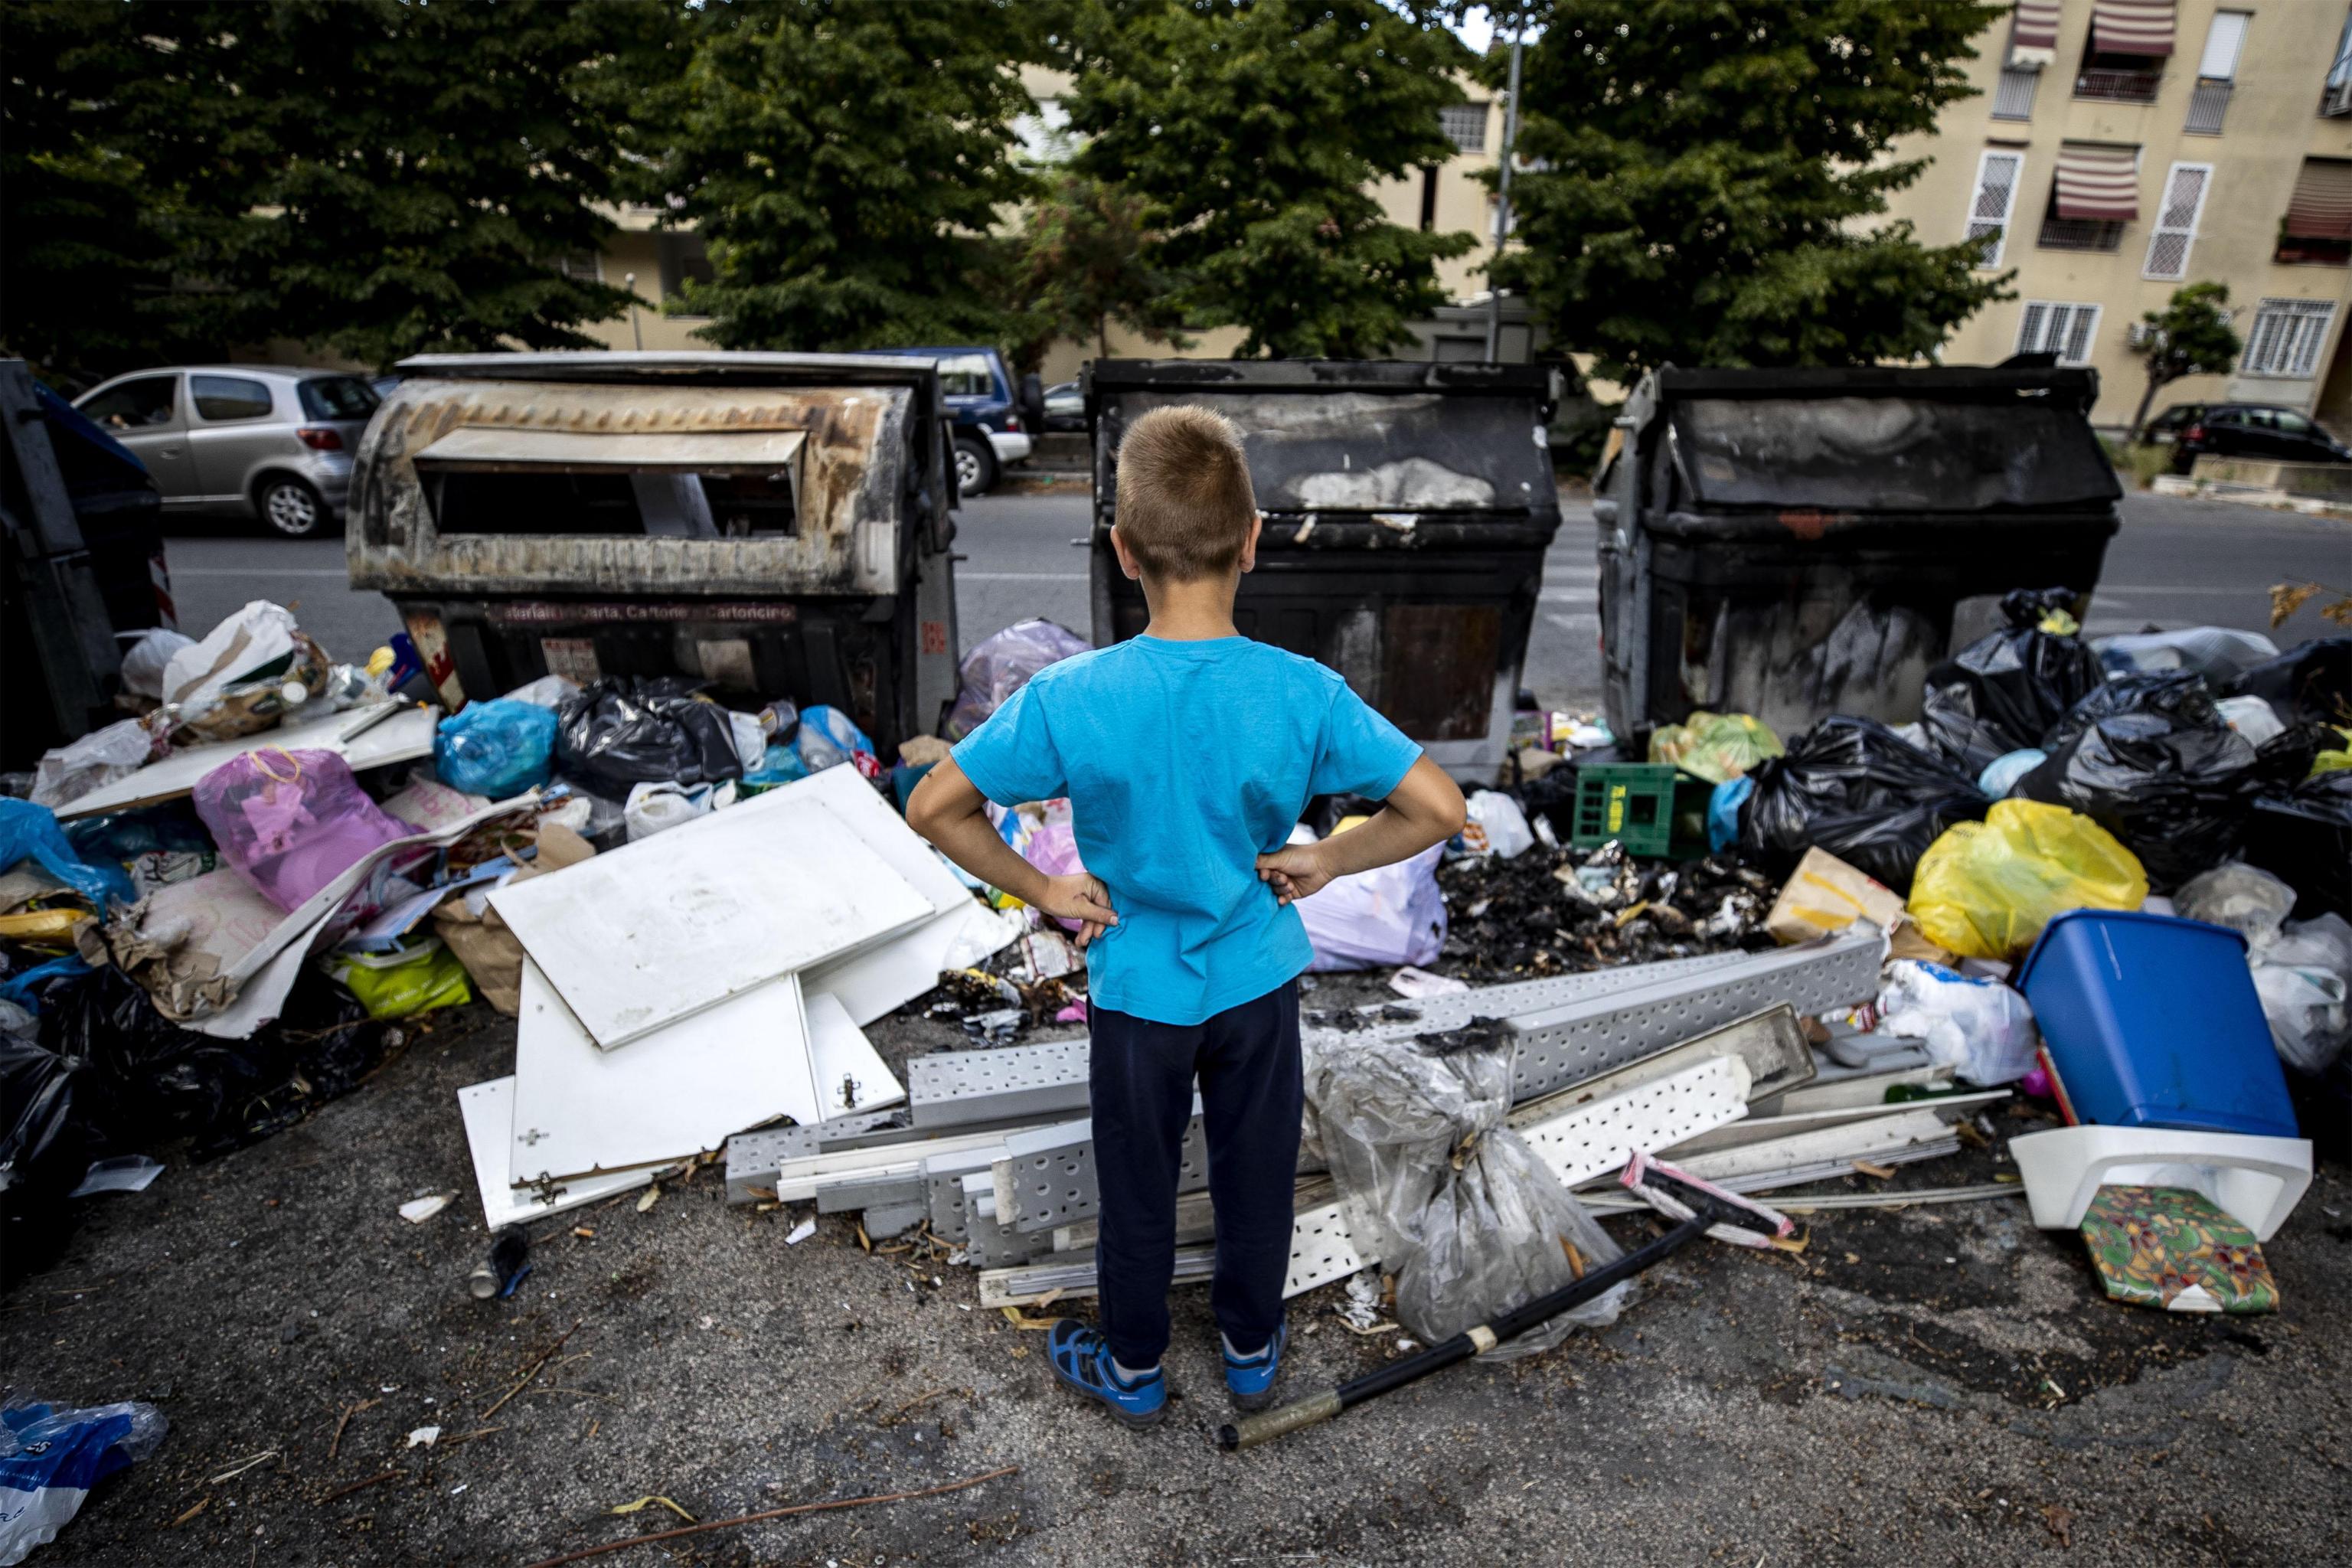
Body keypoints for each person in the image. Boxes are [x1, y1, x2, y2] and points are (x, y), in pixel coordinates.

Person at [906, 404, 1465, 1429]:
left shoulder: (1072, 694)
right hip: (1254, 981)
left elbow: (934, 806)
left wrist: (1041, 890)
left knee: (1138, 1189)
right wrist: (1329, 858)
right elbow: (1438, 807)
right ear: (1252, 541)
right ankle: (1252, 1354)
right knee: (1254, 1181)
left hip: (1137, 990)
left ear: (1123, 551)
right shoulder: (1304, 692)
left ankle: (1135, 1370)